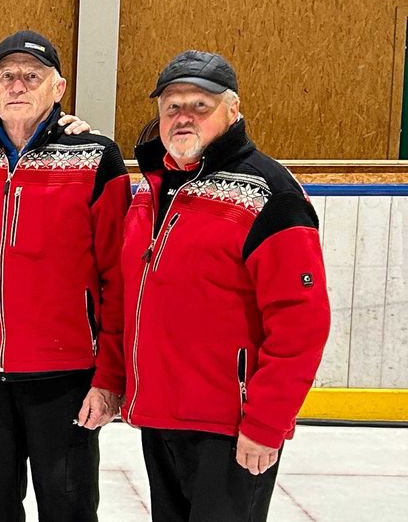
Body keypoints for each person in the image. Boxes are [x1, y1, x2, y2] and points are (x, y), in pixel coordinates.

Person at [0, 30, 129, 522]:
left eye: (33, 76)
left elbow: (116, 280)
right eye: (7, 75)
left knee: (68, 509)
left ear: (58, 88)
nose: (18, 85)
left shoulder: (96, 158)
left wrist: (109, 377)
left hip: (65, 378)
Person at [122, 50, 330, 522]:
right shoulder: (154, 187)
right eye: (172, 106)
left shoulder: (271, 193)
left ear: (232, 111)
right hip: (161, 416)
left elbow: (301, 322)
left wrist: (266, 422)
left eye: (200, 105)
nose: (183, 116)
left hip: (231, 426)